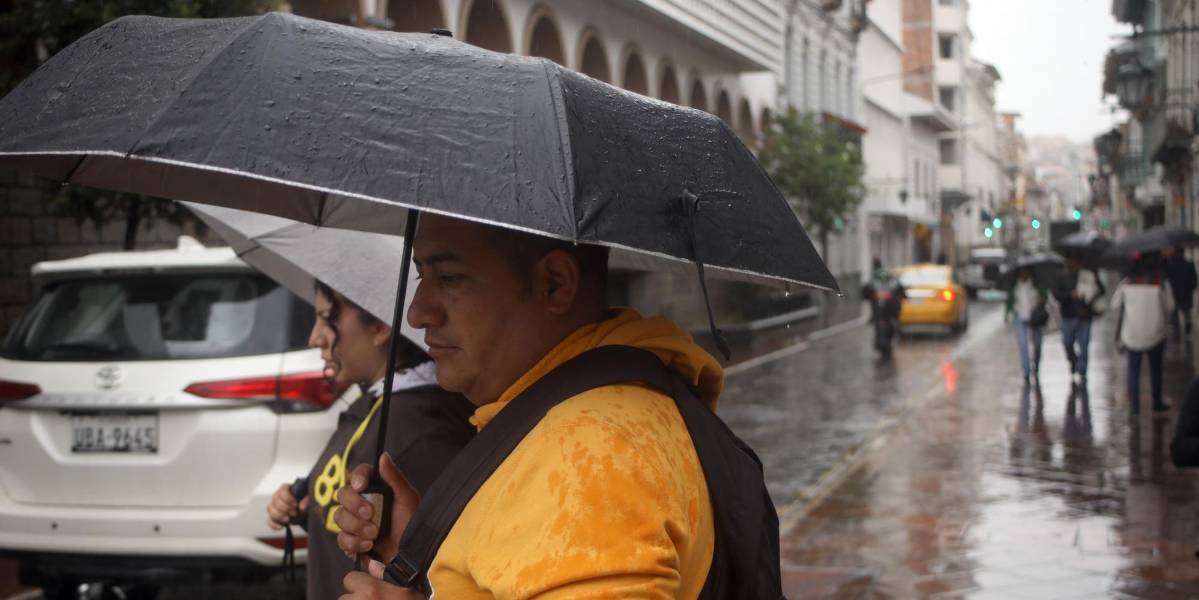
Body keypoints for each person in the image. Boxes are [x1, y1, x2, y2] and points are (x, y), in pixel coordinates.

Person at [331, 214, 752, 599]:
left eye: (451, 278)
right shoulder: (577, 417)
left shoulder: (590, 452)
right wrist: (431, 550)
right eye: (421, 275)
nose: (418, 313)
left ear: (554, 283)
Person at [264, 281, 475, 600]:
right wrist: (308, 507)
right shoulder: (375, 405)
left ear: (380, 326)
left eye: (327, 318)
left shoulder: (419, 426)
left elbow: (441, 561)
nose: (315, 337)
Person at [1111, 253, 1175, 415]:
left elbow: (1115, 304)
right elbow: (1170, 306)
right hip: (1156, 333)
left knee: (1133, 370)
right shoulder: (1160, 282)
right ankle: (1157, 402)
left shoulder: (1127, 282)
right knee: (1156, 370)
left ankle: (1135, 407)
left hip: (1132, 334)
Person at [1054, 257, 1105, 386]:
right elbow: (1056, 294)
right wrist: (1070, 295)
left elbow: (1101, 290)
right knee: (1068, 342)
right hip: (1068, 316)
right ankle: (1074, 361)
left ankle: (1082, 370)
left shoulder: (1088, 274)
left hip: (1085, 315)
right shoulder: (1062, 276)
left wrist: (1089, 295)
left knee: (1084, 344)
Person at [1005, 267, 1048, 383]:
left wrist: (1041, 299)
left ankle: (1036, 366)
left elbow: (1045, 296)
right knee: (1023, 345)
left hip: (1035, 318)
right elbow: (1009, 301)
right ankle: (1026, 370)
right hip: (1019, 317)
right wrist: (1007, 314)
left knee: (1037, 344)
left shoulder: (1036, 285)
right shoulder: (1015, 287)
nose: (1024, 274)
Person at [1164, 246, 1197, 337]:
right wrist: (1190, 289)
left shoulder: (1170, 265)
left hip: (1175, 293)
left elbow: (1167, 278)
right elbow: (1194, 280)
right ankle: (1187, 332)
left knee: (1175, 315)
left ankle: (1177, 333)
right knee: (1186, 314)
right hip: (1186, 293)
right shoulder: (1189, 264)